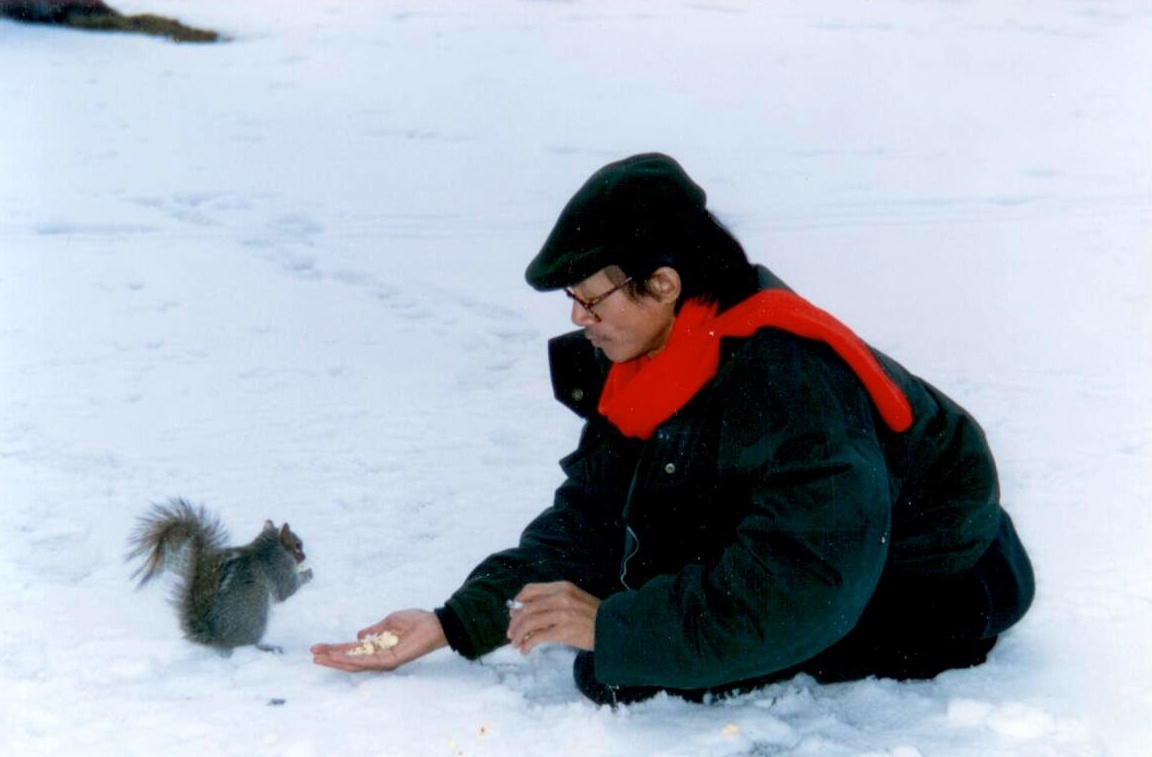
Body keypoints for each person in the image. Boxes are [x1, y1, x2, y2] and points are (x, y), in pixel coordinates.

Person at [311, 152, 1035, 705]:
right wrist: (457, 620)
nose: (577, 320)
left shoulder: (788, 383)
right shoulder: (649, 355)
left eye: (591, 299)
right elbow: (593, 518)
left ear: (662, 284)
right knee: (633, 634)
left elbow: (804, 583)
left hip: (928, 584)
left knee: (621, 669)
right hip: (824, 552)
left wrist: (616, 629)